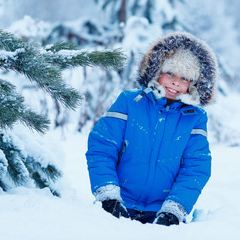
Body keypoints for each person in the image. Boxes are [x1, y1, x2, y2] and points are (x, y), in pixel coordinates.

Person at [86, 32, 218, 226]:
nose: (175, 82)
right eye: (170, 73)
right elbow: (102, 149)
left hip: (162, 214)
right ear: (156, 71)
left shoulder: (195, 118)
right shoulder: (129, 102)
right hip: (118, 207)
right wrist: (108, 196)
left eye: (184, 78)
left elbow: (196, 168)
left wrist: (174, 209)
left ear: (193, 84)